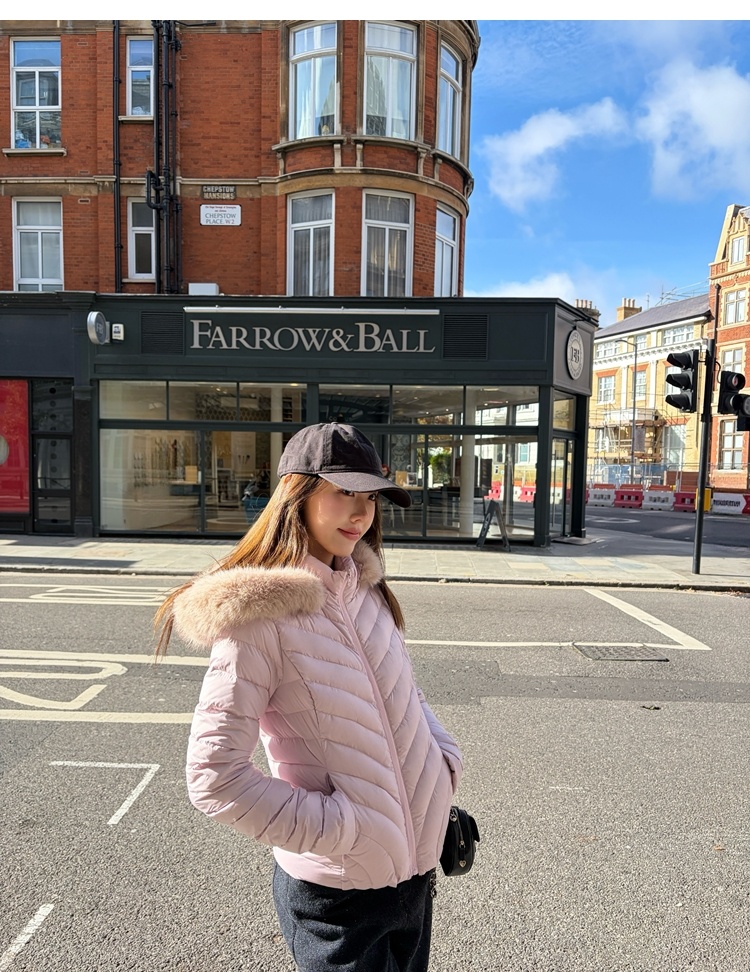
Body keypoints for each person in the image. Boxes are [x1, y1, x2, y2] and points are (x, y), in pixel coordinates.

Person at [154, 422, 463, 972]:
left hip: (413, 879)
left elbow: (404, 694)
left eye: (371, 497)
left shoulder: (365, 591)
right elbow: (214, 777)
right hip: (338, 900)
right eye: (343, 492)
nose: (361, 513)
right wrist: (345, 828)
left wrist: (441, 766)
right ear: (297, 495)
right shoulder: (258, 618)